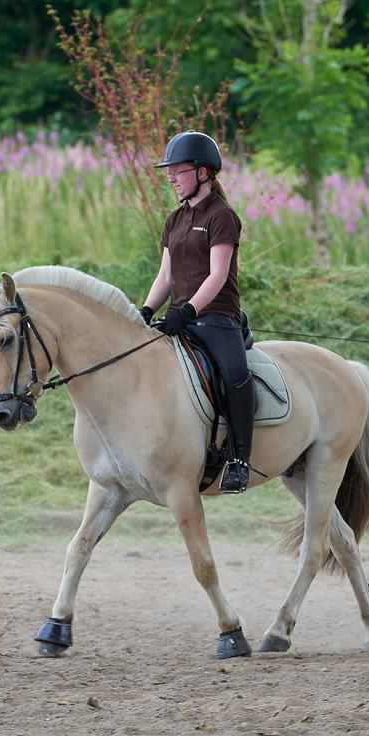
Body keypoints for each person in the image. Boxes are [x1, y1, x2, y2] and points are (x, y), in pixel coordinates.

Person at [140, 130, 254, 494]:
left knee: (235, 375)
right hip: (179, 319)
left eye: (178, 170)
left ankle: (239, 460)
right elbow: (166, 276)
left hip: (216, 317)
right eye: (169, 172)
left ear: (204, 173)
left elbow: (218, 275)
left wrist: (187, 311)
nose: (171, 177)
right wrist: (145, 311)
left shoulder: (222, 216)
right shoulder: (175, 219)